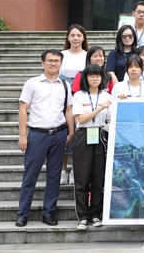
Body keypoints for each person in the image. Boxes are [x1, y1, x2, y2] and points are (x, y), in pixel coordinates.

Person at [16, 50, 73, 228]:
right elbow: (23, 108)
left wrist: (71, 132)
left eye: (57, 61)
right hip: (37, 135)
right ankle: (23, 213)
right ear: (42, 63)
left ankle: (48, 213)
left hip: (59, 134)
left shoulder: (65, 85)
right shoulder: (32, 83)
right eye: (50, 60)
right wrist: (23, 135)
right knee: (30, 175)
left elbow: (68, 110)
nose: (53, 63)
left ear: (61, 64)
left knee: (54, 176)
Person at [71, 63, 111, 230]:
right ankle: (82, 216)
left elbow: (110, 119)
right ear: (85, 78)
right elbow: (81, 119)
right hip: (84, 135)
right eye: (91, 75)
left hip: (101, 135)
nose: (95, 78)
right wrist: (100, 108)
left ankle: (95, 214)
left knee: (98, 177)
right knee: (82, 177)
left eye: (98, 75)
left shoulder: (106, 95)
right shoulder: (79, 96)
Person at [59, 24, 88, 184]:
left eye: (79, 35)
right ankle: (63, 170)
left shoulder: (87, 55)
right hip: (63, 96)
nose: (76, 38)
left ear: (83, 38)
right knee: (64, 131)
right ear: (68, 37)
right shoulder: (61, 55)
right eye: (73, 35)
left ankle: (74, 168)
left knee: (78, 132)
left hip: (81, 96)